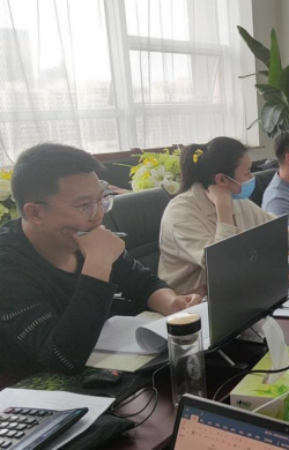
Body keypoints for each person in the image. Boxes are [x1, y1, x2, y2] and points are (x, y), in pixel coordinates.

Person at [0, 144, 202, 374]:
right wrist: (98, 263)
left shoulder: (82, 233)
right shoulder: (7, 265)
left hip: (107, 370)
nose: (98, 215)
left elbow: (144, 283)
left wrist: (171, 303)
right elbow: (62, 358)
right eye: (84, 205)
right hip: (31, 384)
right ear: (35, 213)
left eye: (101, 200)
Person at [159, 137, 289, 296]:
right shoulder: (180, 213)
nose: (252, 178)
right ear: (222, 179)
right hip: (193, 301)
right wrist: (223, 209)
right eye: (247, 172)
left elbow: (273, 228)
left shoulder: (235, 197)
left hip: (238, 288)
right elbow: (222, 264)